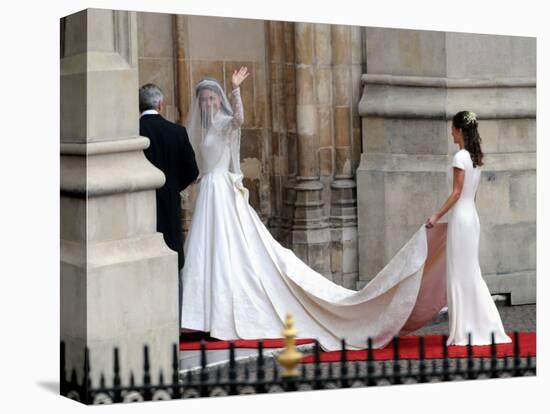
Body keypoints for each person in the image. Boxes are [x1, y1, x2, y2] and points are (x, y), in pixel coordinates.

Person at [426, 111, 512, 346]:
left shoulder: (460, 157)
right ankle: (484, 326)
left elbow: (456, 193)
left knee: (460, 274)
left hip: (461, 220)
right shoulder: (475, 157)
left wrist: (436, 215)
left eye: (453, 129)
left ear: (460, 130)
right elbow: (471, 196)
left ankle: (464, 330)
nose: (451, 133)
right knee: (470, 273)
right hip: (471, 218)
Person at [139, 83, 199, 326]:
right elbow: (192, 171)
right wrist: (173, 187)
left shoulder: (132, 130)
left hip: (139, 208)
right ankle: (173, 322)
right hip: (170, 207)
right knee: (172, 260)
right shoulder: (177, 132)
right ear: (160, 104)